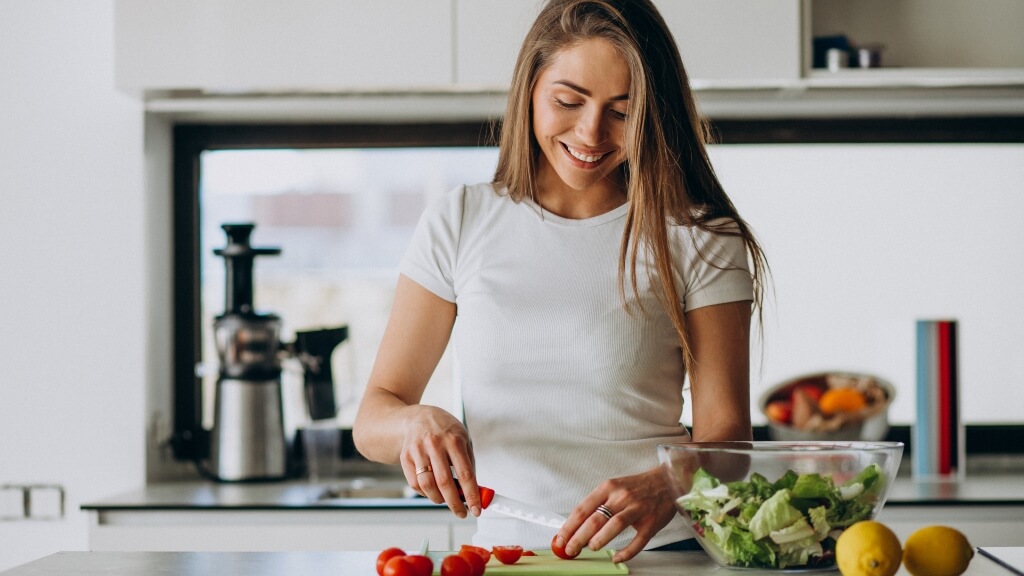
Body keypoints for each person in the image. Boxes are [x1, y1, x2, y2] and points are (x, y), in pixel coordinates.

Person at [353, 0, 768, 563]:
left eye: (623, 112)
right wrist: (415, 423)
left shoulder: (700, 236)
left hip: (653, 558)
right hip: (502, 559)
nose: (591, 132)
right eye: (568, 101)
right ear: (530, 88)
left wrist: (669, 482)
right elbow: (375, 416)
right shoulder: (461, 220)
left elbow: (729, 442)